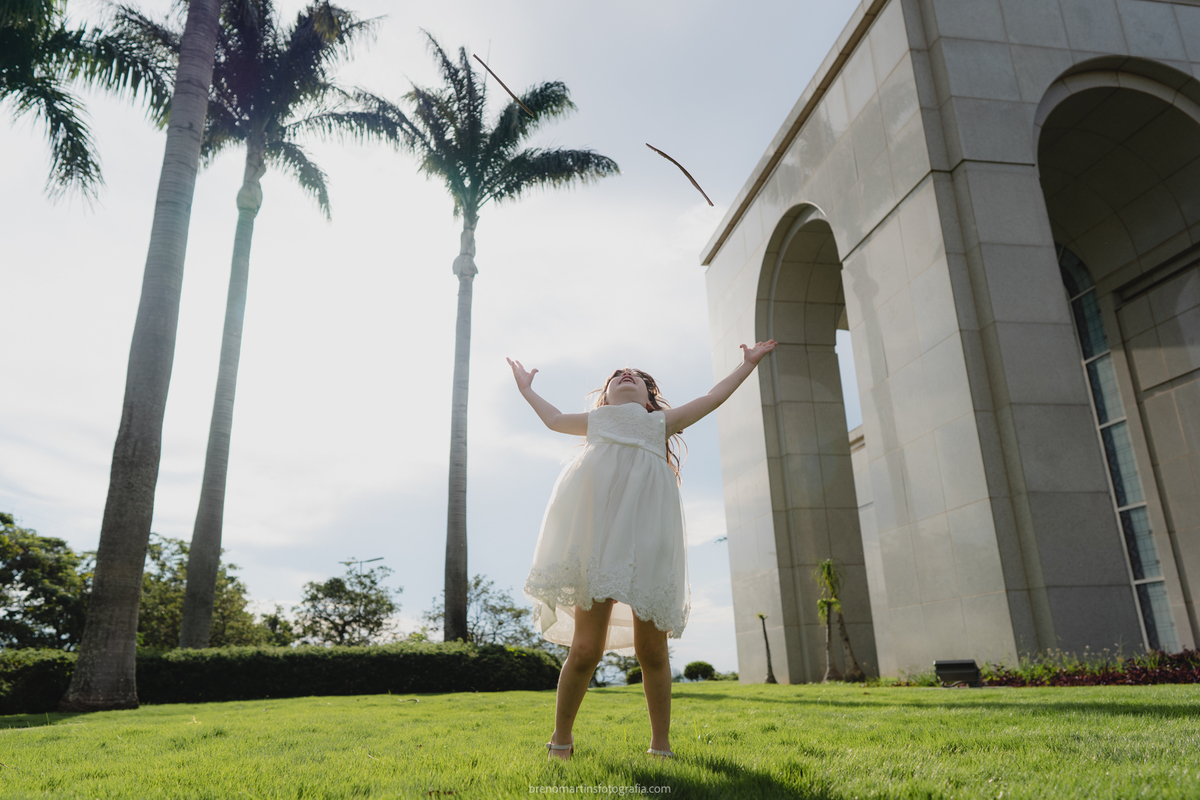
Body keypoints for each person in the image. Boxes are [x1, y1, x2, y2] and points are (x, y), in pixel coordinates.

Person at [507, 340, 778, 762]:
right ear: (606, 395)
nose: (626, 375)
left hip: (649, 540)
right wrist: (526, 390)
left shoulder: (662, 423)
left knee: (652, 649)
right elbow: (555, 418)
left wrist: (746, 365)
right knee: (585, 650)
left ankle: (661, 745)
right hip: (597, 542)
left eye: (637, 377)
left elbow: (712, 397)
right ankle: (560, 739)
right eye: (618, 375)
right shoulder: (597, 421)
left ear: (651, 399)